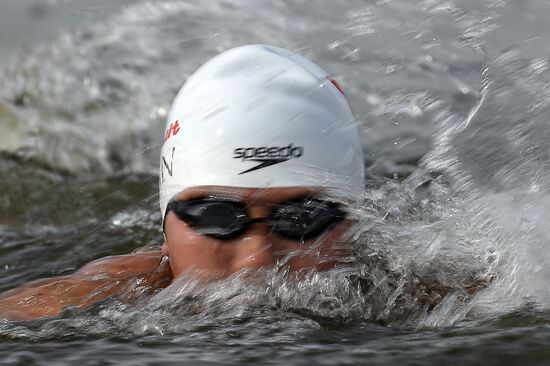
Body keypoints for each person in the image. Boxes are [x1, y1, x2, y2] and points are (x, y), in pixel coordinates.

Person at [0, 44, 365, 320]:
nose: (257, 260)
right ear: (166, 232)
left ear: (355, 227)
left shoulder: (409, 295)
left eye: (301, 218)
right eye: (215, 217)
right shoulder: (96, 297)